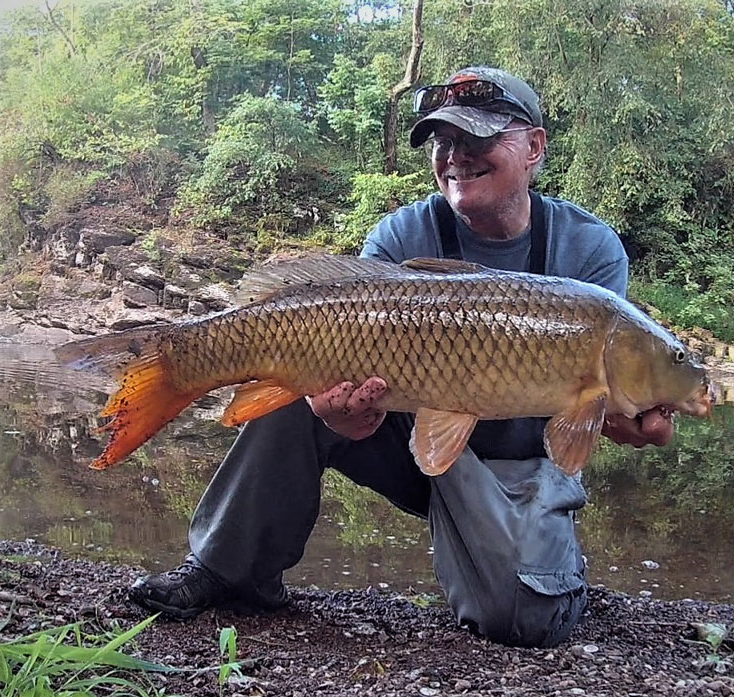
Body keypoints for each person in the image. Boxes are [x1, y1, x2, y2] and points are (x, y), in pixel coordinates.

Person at [129, 66, 673, 647]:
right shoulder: (401, 235)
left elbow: (581, 427)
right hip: (403, 435)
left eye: (479, 138)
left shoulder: (587, 250)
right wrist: (335, 409)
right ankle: (226, 567)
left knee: (523, 620)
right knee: (297, 370)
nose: (457, 156)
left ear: (534, 145)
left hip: (513, 464)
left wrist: (611, 415)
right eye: (444, 141)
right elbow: (348, 367)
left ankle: (545, 568)